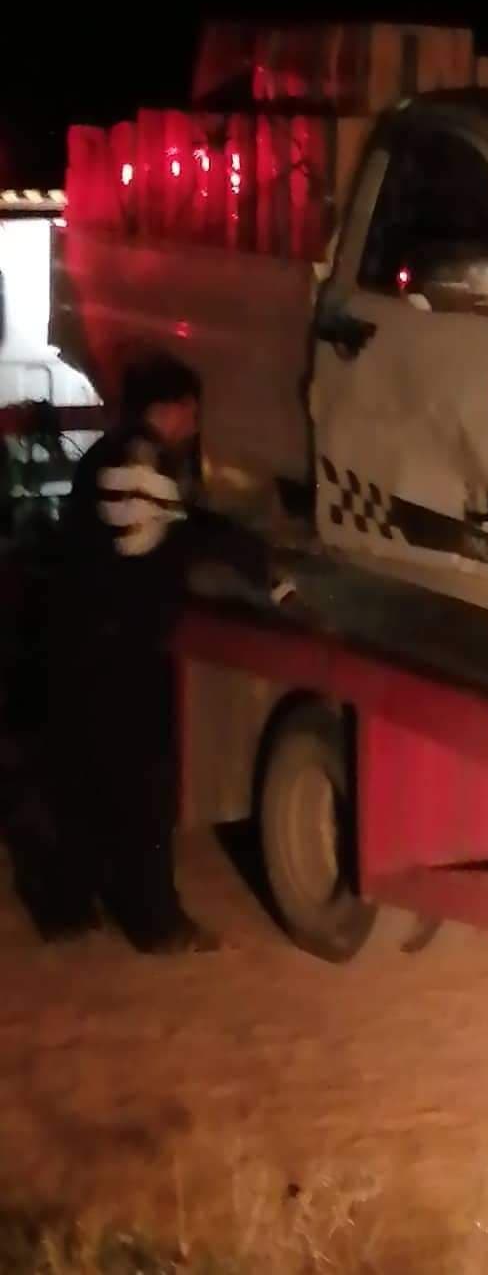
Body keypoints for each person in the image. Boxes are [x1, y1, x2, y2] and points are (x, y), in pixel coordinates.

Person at [42, 352, 286, 952]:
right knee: (143, 790)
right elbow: (156, 543)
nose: (194, 425)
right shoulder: (139, 464)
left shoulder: (113, 456)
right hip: (119, 652)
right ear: (170, 409)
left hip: (87, 643)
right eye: (191, 413)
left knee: (88, 778)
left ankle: (69, 905)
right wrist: (255, 571)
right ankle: (153, 922)